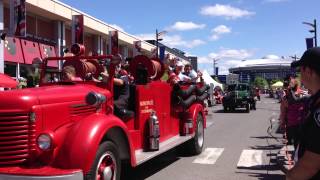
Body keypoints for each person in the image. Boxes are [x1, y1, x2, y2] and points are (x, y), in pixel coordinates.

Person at [286, 47, 320, 180]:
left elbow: (310, 165)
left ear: (308, 71)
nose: (299, 76)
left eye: (300, 71)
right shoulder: (314, 100)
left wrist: (291, 176)